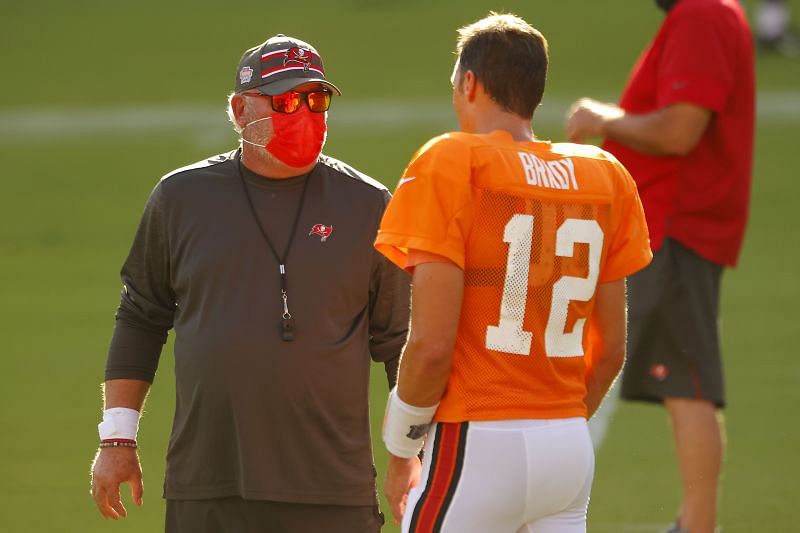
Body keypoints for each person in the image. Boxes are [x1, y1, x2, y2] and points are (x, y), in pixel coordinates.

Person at [89, 33, 410, 533]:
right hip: (208, 485)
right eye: (284, 101)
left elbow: (400, 343)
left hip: (331, 489)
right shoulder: (181, 198)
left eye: (316, 99)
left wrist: (414, 455)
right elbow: (140, 317)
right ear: (240, 111)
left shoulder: (367, 205)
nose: (304, 113)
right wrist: (117, 439)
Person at [374, 13, 652, 533]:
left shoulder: (453, 161)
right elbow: (611, 347)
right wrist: (556, 422)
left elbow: (431, 346)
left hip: (477, 439)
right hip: (568, 447)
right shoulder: (604, 174)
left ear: (469, 83)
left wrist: (400, 448)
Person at [566, 0, 755, 531]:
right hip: (676, 225)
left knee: (681, 381)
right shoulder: (713, 14)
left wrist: (603, 119)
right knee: (684, 379)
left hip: (671, 224)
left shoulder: (701, 14)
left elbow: (679, 131)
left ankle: (696, 525)